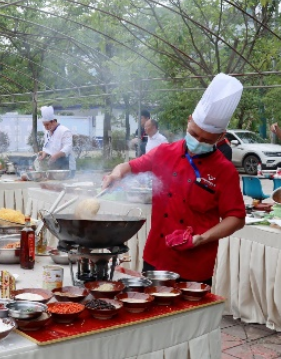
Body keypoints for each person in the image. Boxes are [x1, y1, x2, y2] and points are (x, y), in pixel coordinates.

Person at [102, 73, 246, 284]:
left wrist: (202, 238)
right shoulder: (163, 152)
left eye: (206, 140)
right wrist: (116, 173)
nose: (198, 142)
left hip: (195, 264)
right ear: (189, 121)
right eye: (194, 134)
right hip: (156, 257)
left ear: (221, 136)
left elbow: (236, 218)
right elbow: (128, 167)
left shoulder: (225, 171)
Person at [37, 106, 73, 171]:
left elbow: (67, 148)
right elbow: (47, 146)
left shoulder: (64, 131)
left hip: (65, 164)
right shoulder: (47, 132)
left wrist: (55, 156)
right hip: (53, 165)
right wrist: (44, 153)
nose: (46, 127)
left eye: (47, 125)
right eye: (44, 125)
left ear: (53, 121)